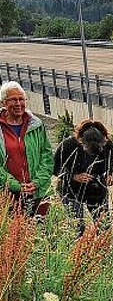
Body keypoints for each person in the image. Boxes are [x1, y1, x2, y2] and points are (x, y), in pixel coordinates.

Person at [0, 81, 53, 216]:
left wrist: (36, 182)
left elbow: (46, 156)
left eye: (21, 99)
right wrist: (16, 185)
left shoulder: (36, 125)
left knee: (41, 231)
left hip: (37, 193)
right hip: (8, 195)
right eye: (13, 99)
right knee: (15, 234)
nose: (18, 103)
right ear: (3, 103)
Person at [53, 119, 113, 234]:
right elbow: (55, 168)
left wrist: (110, 175)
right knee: (77, 228)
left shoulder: (107, 144)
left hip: (96, 189)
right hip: (71, 190)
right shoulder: (67, 145)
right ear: (80, 140)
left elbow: (110, 163)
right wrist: (73, 176)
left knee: (103, 226)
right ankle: (79, 250)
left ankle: (103, 250)